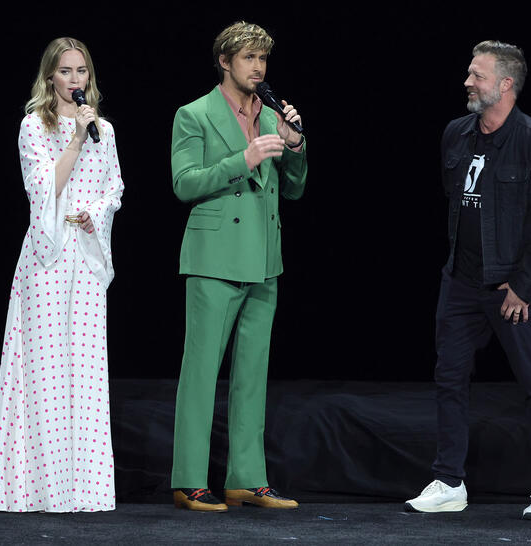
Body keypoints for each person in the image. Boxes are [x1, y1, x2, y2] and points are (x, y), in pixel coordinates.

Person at [405, 40, 531, 521]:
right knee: (449, 379)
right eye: (469, 73)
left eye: (478, 75)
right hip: (460, 282)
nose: (468, 82)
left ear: (505, 84)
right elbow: (454, 202)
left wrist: (523, 286)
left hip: (511, 289)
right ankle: (449, 482)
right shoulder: (456, 134)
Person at [169, 21, 307, 512]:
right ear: (224, 62)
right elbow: (184, 183)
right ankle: (189, 479)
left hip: (265, 259)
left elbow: (294, 189)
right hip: (215, 259)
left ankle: (246, 478)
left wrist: (295, 145)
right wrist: (243, 159)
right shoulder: (194, 114)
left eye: (263, 58)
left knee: (253, 374)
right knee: (201, 373)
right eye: (249, 58)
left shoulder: (271, 115)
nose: (258, 67)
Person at [0, 37, 124, 513]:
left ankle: (83, 489)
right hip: (47, 257)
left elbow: (114, 189)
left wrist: (94, 213)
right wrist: (75, 138)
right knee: (44, 370)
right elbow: (44, 187)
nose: (75, 79)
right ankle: (37, 488)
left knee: (84, 370)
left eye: (81, 71)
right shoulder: (33, 126)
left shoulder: (104, 129)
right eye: (65, 71)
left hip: (85, 254)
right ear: (50, 76)